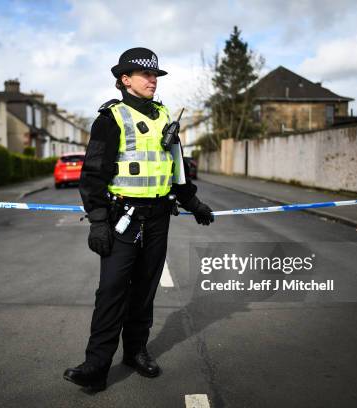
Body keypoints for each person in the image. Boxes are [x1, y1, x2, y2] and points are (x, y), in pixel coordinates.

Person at [63, 47, 214, 392]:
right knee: (112, 292)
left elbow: (176, 170)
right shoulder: (110, 118)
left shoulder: (165, 118)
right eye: (145, 75)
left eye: (155, 75)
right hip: (123, 218)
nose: (152, 81)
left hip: (159, 217)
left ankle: (136, 352)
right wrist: (99, 221)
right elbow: (92, 176)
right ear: (124, 80)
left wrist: (194, 202)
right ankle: (96, 365)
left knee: (145, 290)